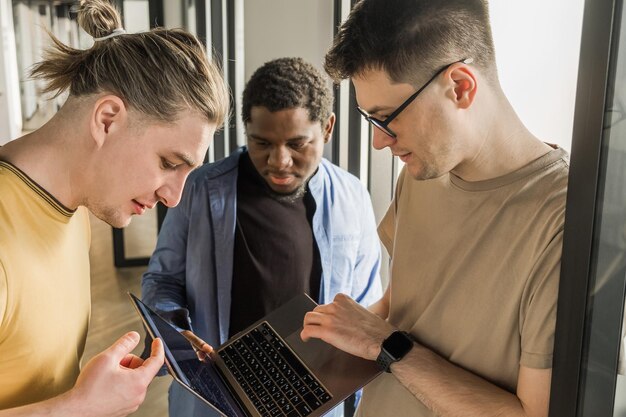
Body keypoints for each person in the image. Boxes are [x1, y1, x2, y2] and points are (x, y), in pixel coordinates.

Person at [300, 1, 570, 417]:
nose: (379, 142)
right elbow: (401, 307)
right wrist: (310, 355)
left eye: (387, 118)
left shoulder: (564, 220)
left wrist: (385, 344)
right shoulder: (421, 173)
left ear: (460, 86)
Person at [0, 0, 229, 415]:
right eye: (168, 163)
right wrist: (78, 407)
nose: (173, 198)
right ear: (107, 119)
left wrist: (91, 390)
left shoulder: (72, 212)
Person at [141, 57, 383, 417]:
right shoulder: (199, 189)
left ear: (328, 129)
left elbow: (366, 306)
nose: (279, 161)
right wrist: (174, 332)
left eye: (297, 144)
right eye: (262, 143)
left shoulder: (354, 197)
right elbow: (163, 279)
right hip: (217, 394)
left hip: (311, 397)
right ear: (246, 131)